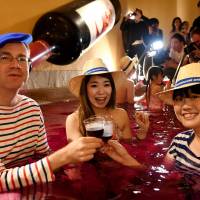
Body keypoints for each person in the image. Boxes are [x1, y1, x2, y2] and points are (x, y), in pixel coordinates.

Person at [0, 33, 102, 192]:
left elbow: (43, 155)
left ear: (28, 67)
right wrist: (62, 157)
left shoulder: (31, 108)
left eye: (22, 59)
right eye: (5, 58)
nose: (16, 65)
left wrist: (73, 161)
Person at [104, 63, 200, 184]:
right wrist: (127, 160)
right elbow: (159, 177)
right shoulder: (179, 142)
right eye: (179, 98)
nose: (185, 106)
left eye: (195, 96)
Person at [66, 58, 149, 142]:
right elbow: (78, 152)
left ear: (112, 88)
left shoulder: (121, 115)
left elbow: (130, 149)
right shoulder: (74, 120)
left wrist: (141, 136)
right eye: (94, 85)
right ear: (85, 90)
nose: (101, 92)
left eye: (106, 84)